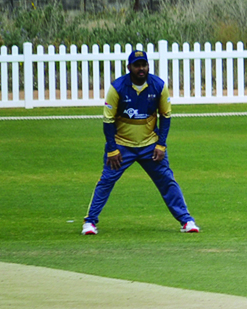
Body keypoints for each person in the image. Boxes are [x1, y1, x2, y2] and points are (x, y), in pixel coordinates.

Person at [82, 49, 198, 235]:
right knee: (106, 181)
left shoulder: (158, 85)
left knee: (167, 181)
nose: (141, 68)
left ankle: (187, 221)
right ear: (129, 67)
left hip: (150, 146)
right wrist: (112, 149)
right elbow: (108, 120)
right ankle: (90, 223)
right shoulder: (117, 87)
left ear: (148, 66)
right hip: (121, 146)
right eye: (137, 65)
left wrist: (161, 144)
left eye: (144, 64)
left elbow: (165, 116)